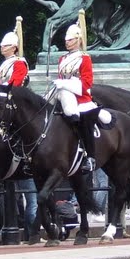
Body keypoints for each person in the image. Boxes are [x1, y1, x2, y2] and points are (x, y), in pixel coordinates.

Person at [52, 15, 98, 173]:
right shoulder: (62, 59)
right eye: (66, 40)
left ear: (78, 40)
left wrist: (65, 84)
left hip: (81, 100)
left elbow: (86, 84)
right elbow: (60, 78)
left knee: (85, 123)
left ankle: (90, 157)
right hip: (64, 96)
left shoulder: (84, 58)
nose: (67, 42)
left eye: (70, 40)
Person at [0, 18, 29, 87]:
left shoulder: (19, 63)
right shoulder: (4, 64)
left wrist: (2, 88)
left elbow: (16, 82)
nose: (2, 48)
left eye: (5, 46)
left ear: (14, 48)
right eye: (2, 46)